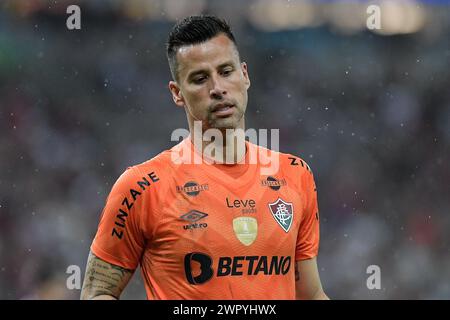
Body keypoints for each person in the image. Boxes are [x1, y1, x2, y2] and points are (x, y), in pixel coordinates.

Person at [80, 15, 328, 300]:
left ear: (244, 75)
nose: (217, 88)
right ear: (177, 93)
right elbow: (98, 293)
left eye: (226, 71)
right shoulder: (141, 187)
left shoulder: (296, 175)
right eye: (200, 78)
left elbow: (310, 294)